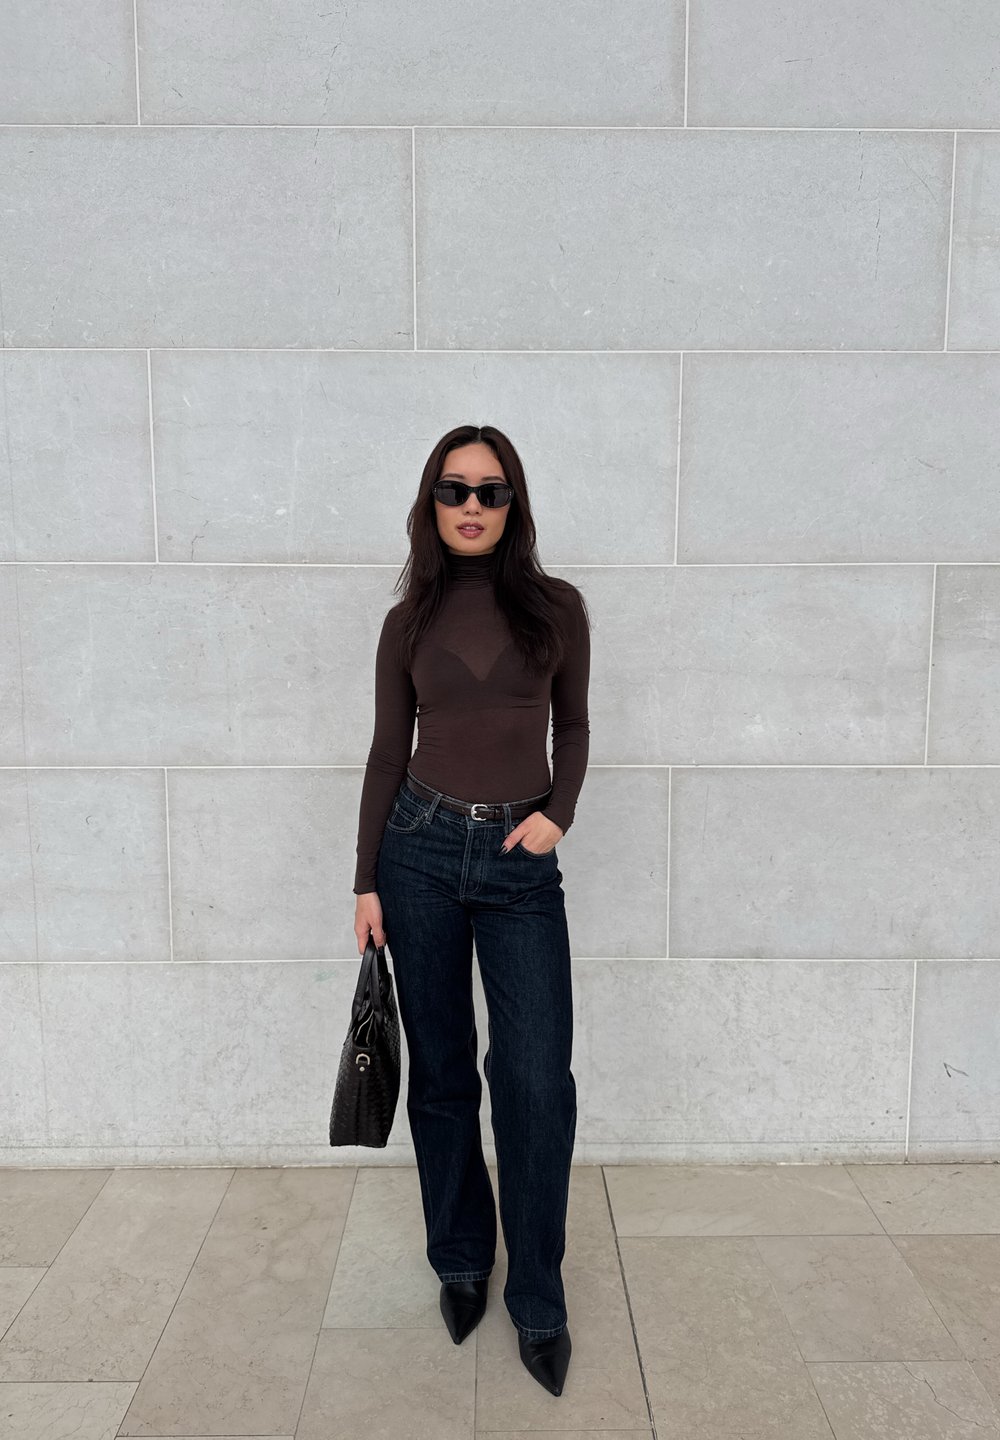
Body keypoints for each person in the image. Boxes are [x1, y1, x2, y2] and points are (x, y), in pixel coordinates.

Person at [352, 424, 591, 1397]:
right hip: (416, 851)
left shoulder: (557, 607)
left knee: (534, 1081)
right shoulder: (406, 621)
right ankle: (459, 1258)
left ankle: (537, 1295)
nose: (472, 506)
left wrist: (558, 815)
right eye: (454, 489)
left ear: (512, 504)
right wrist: (364, 879)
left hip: (519, 860)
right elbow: (386, 750)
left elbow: (573, 724)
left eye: (491, 491)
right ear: (431, 502)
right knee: (443, 1071)